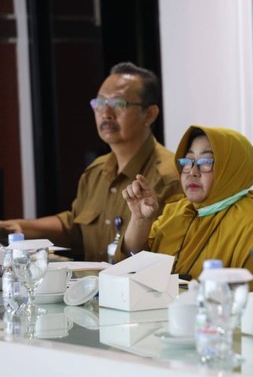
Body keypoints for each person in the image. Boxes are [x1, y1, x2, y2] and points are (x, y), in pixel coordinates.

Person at [0, 62, 183, 262]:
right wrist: (18, 228)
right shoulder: (96, 171)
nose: (106, 113)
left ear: (149, 114)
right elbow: (76, 229)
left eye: (118, 104)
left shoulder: (170, 177)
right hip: (89, 291)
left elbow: (171, 254)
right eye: (100, 103)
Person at [120, 126, 253, 290]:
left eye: (206, 161)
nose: (192, 171)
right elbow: (136, 262)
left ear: (232, 168)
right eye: (188, 161)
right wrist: (140, 220)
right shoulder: (178, 210)